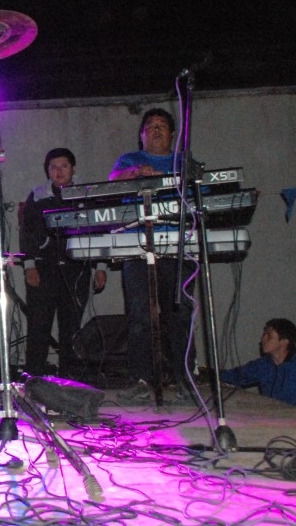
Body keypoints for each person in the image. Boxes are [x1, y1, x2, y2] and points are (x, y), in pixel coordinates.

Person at [110, 108, 195, 404]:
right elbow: (113, 181)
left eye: (162, 126)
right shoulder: (129, 159)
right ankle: (140, 379)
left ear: (172, 135)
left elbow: (198, 187)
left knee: (179, 313)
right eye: (150, 126)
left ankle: (185, 380)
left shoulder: (183, 161)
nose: (156, 130)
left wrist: (163, 177)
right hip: (137, 246)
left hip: (178, 247)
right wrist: (135, 174)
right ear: (142, 135)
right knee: (140, 315)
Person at [19, 148, 107, 379]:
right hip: (43, 270)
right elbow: (27, 233)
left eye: (64, 166)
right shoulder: (37, 196)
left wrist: (100, 267)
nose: (59, 171)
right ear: (47, 171)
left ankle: (69, 379)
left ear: (73, 169)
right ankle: (34, 378)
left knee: (71, 327)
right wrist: (29, 265)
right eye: (53, 167)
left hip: (76, 270)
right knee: (38, 326)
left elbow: (100, 229)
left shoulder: (86, 194)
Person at [220, 319, 296, 412]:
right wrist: (211, 373)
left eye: (269, 336)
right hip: (272, 420)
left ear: (284, 342)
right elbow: (235, 376)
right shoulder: (263, 365)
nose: (263, 339)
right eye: (264, 334)